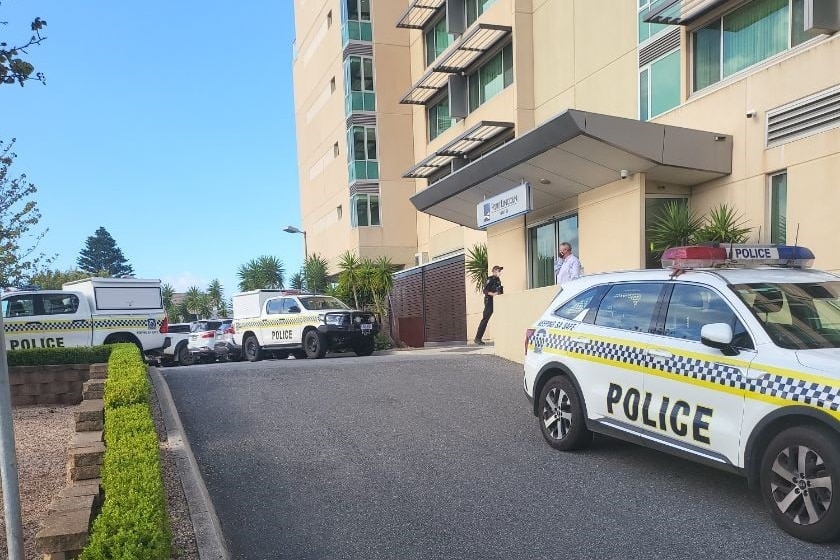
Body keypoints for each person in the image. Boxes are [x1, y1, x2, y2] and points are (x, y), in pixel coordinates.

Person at [474, 265, 503, 345]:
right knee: (485, 319)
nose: (500, 272)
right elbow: (485, 290)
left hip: (497, 301)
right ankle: (477, 338)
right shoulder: (490, 279)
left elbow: (499, 290)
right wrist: (493, 294)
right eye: (498, 271)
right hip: (489, 301)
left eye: (500, 271)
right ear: (494, 272)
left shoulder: (498, 280)